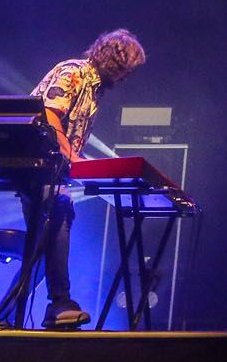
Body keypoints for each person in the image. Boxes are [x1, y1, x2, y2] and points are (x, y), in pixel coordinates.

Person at [32, 28, 147, 328]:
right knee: (58, 212)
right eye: (125, 70)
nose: (125, 78)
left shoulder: (93, 90)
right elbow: (48, 115)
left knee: (45, 238)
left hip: (54, 169)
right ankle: (59, 303)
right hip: (34, 163)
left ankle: (21, 310)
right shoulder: (74, 73)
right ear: (114, 61)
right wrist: (73, 158)